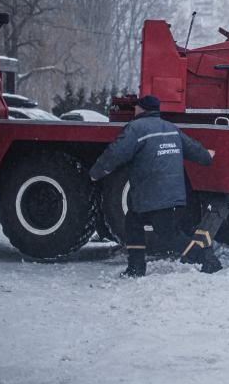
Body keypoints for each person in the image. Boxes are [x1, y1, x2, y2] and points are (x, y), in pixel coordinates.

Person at [89, 94, 217, 277]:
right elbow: (194, 149)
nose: (134, 109)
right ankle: (136, 268)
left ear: (141, 109)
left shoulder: (136, 128)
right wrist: (206, 156)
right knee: (133, 223)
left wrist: (95, 173)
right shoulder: (171, 128)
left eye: (136, 106)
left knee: (169, 236)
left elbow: (114, 154)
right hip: (166, 192)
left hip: (152, 192)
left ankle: (206, 258)